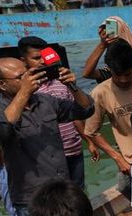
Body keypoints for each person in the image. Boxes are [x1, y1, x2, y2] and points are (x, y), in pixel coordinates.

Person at [0, 57, 93, 216]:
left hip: (61, 189)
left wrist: (73, 86)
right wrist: (24, 92)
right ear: (1, 84)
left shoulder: (45, 101)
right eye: (20, 77)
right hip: (30, 196)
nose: (28, 78)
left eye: (28, 72)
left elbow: (85, 110)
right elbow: (3, 131)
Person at [85, 41, 132, 201]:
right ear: (109, 69)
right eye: (118, 75)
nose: (123, 80)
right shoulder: (100, 93)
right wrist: (118, 158)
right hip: (131, 161)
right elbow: (92, 131)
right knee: (129, 191)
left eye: (128, 74)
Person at [17, 37, 87, 188]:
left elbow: (80, 112)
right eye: (36, 58)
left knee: (78, 194)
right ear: (23, 61)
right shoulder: (23, 93)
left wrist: (73, 86)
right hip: (47, 158)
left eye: (44, 56)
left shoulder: (61, 83)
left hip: (74, 149)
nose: (42, 62)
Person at [82, 16, 132, 82]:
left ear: (123, 32)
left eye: (113, 32)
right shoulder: (113, 65)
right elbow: (87, 73)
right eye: (105, 33)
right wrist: (102, 45)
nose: (123, 80)